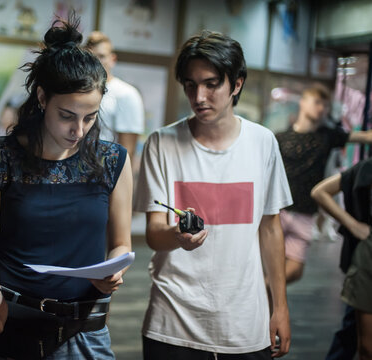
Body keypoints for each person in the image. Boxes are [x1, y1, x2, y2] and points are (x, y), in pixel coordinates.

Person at [0, 14, 133, 360]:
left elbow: (120, 245)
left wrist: (114, 269)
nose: (80, 129)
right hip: (9, 318)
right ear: (42, 98)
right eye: (67, 115)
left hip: (84, 329)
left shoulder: (113, 160)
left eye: (91, 116)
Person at [133, 30, 292, 359]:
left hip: (245, 322)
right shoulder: (162, 144)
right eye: (190, 85)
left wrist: (280, 308)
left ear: (236, 84)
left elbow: (270, 228)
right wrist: (178, 236)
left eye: (211, 83)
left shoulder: (262, 143)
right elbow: (153, 233)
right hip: (172, 322)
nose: (199, 96)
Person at [276, 86, 372, 284]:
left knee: (294, 270)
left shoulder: (328, 135)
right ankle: (265, 306)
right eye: (317, 102)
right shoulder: (280, 138)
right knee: (267, 264)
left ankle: (264, 294)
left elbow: (365, 137)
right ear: (303, 101)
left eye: (325, 105)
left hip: (305, 212)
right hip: (278, 210)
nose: (321, 109)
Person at [311, 158, 372, 360]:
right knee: (365, 345)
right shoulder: (366, 168)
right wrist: (353, 225)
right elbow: (320, 192)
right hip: (367, 261)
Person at [85, 31, 145, 163]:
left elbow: (127, 153)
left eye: (101, 56)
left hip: (105, 175)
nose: (96, 61)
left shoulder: (127, 94)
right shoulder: (80, 91)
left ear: (113, 59)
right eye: (91, 56)